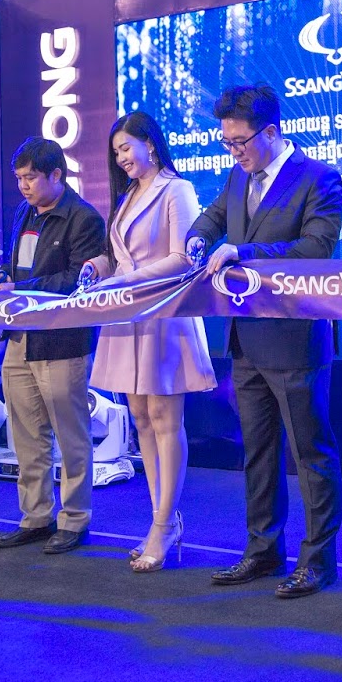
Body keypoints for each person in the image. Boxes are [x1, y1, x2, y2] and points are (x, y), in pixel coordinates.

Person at [187, 83, 342, 598]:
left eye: (240, 142)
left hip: (295, 340)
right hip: (246, 339)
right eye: (227, 142)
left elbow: (315, 248)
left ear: (271, 132)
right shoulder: (239, 175)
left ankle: (318, 561)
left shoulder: (319, 177)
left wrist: (246, 253)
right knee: (257, 453)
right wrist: (198, 236)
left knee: (311, 454)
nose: (234, 152)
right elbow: (215, 215)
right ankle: (262, 550)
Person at [85, 112, 216, 572]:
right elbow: (122, 255)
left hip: (164, 316)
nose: (121, 158)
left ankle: (163, 524)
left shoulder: (177, 189)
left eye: (126, 148)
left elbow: (183, 258)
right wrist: (99, 268)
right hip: (127, 317)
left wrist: (125, 282)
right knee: (140, 417)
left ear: (151, 144)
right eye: (116, 151)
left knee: (164, 418)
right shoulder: (126, 196)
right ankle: (162, 519)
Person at [0, 137, 106, 556]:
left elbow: (76, 281)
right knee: (25, 434)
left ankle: (74, 520)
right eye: (19, 178)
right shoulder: (24, 211)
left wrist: (21, 288)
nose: (23, 186)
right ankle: (35, 516)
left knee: (70, 436)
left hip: (62, 341)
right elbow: (19, 265)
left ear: (57, 174)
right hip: (20, 336)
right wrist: (3, 277)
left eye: (31, 177)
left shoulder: (83, 218)